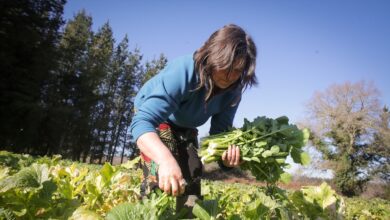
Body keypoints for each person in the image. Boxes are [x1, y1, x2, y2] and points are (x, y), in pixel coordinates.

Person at [129, 24, 257, 215]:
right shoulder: (185, 70)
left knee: (193, 174)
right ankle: (148, 212)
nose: (230, 76)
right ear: (211, 56)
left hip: (185, 124)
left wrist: (227, 160)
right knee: (159, 176)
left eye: (237, 70)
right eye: (226, 67)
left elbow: (219, 133)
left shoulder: (234, 90)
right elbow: (142, 123)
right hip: (156, 117)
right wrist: (165, 159)